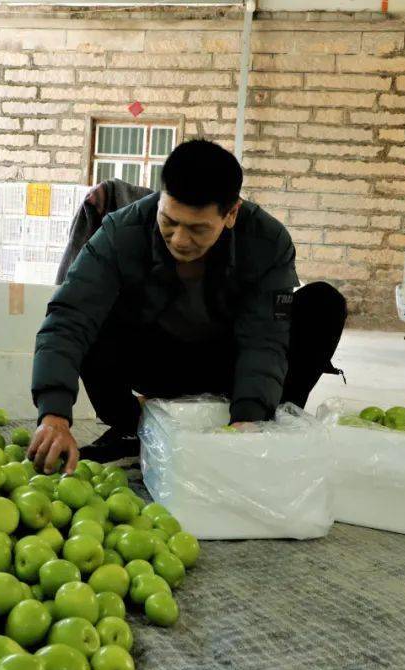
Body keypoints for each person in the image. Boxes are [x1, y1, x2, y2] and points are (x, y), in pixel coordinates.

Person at [28, 139, 346, 474]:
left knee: (323, 304)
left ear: (232, 214)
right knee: (88, 312)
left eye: (197, 229)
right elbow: (68, 319)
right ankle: (133, 428)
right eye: (169, 221)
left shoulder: (267, 242)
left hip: (228, 366)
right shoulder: (121, 232)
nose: (179, 239)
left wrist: (250, 417)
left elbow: (264, 339)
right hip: (157, 363)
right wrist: (54, 415)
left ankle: (263, 430)